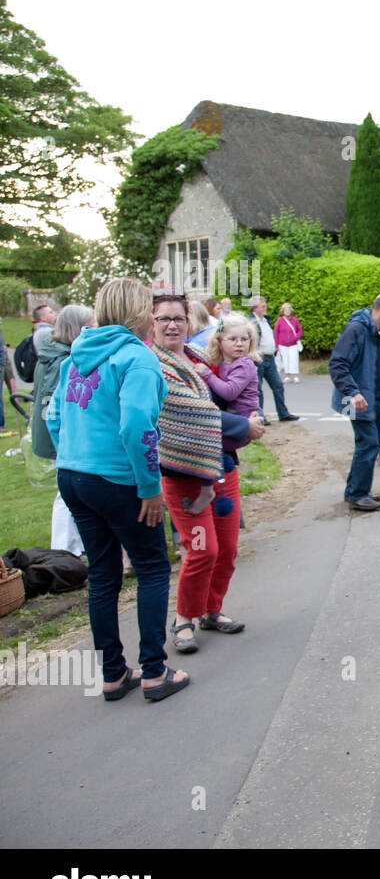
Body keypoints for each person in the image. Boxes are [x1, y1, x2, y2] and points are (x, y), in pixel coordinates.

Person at [45, 279, 188, 702]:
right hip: (118, 479)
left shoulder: (78, 355)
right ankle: (154, 672)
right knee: (152, 567)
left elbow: (54, 415)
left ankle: (112, 673)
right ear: (140, 313)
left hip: (74, 475)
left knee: (104, 573)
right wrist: (149, 487)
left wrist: (75, 452)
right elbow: (137, 425)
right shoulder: (136, 358)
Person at [150, 293, 262, 655]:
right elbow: (192, 414)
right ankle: (184, 617)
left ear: (189, 321)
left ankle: (211, 610)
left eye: (178, 318)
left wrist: (245, 420)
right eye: (164, 318)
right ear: (151, 322)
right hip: (182, 473)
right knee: (202, 550)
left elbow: (228, 394)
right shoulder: (156, 365)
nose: (172, 325)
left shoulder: (198, 357)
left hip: (220, 468)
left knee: (227, 549)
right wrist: (245, 425)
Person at [330, 292, 380, 511]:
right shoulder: (356, 330)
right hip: (359, 399)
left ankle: (357, 489)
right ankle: (357, 493)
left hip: (376, 396)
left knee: (369, 443)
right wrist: (353, 392)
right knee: (369, 443)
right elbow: (337, 364)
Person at [32, 304, 94, 556]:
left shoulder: (50, 353)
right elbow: (54, 402)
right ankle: (64, 549)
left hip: (52, 432)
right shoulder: (63, 360)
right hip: (58, 434)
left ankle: (71, 545)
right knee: (67, 492)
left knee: (68, 490)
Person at [247, 296, 298, 422]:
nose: (265, 308)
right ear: (255, 308)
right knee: (257, 389)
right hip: (259, 358)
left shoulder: (265, 320)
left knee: (278, 385)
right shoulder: (251, 321)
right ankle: (260, 417)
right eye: (263, 306)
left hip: (269, 358)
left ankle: (283, 413)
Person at [274, 302, 304, 383]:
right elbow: (276, 332)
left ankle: (295, 376)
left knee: (294, 359)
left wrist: (296, 338)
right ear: (283, 311)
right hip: (282, 344)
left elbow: (300, 330)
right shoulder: (279, 320)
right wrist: (276, 344)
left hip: (293, 344)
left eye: (288, 309)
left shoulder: (295, 320)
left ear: (291, 310)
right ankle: (287, 375)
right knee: (285, 360)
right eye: (285, 310)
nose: (287, 311)